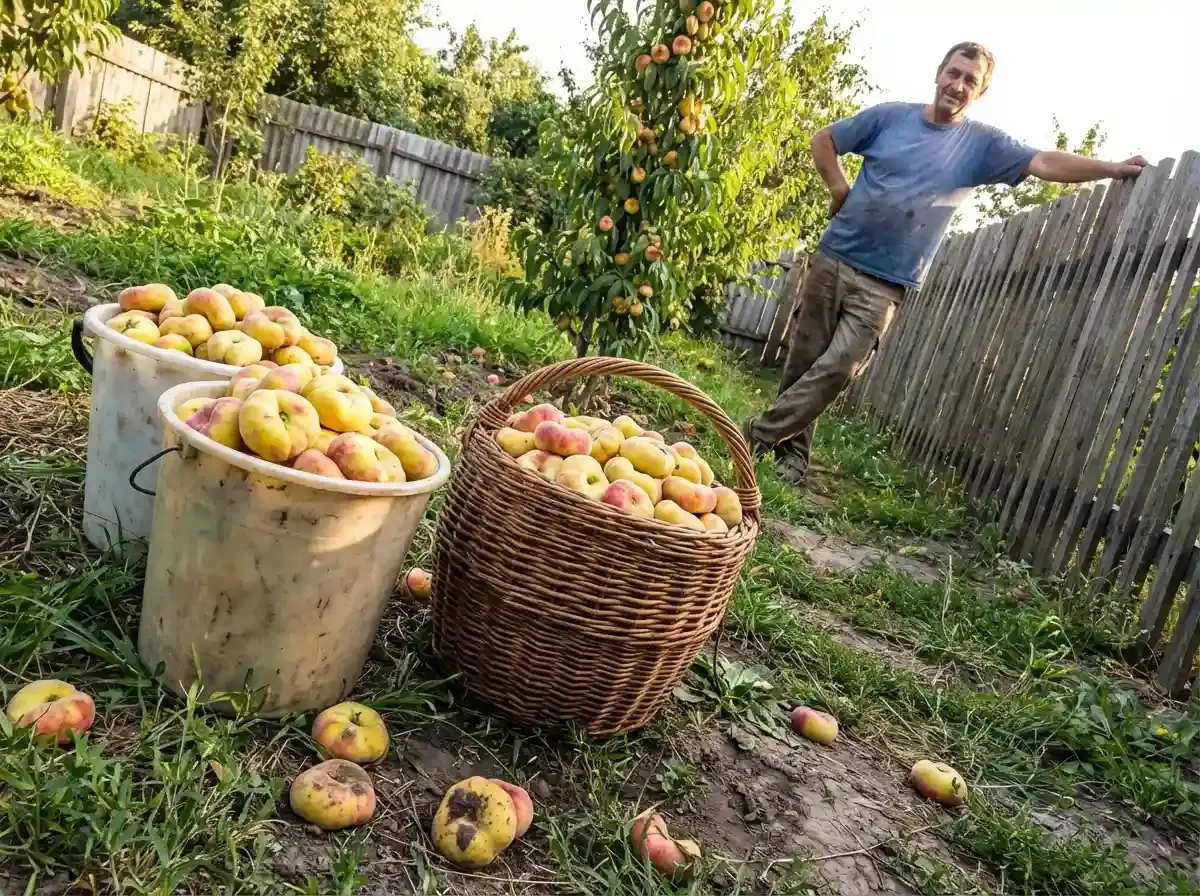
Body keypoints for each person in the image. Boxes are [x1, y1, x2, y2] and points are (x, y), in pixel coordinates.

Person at [742, 41, 1148, 485]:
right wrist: (839, 189)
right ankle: (789, 457)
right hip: (835, 257)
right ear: (938, 74)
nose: (957, 85)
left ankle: (756, 436)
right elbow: (825, 140)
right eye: (953, 74)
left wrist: (1110, 167)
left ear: (981, 91)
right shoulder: (889, 117)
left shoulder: (982, 145)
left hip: (886, 283)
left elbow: (1044, 161)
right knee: (805, 363)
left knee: (838, 368)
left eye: (969, 81)